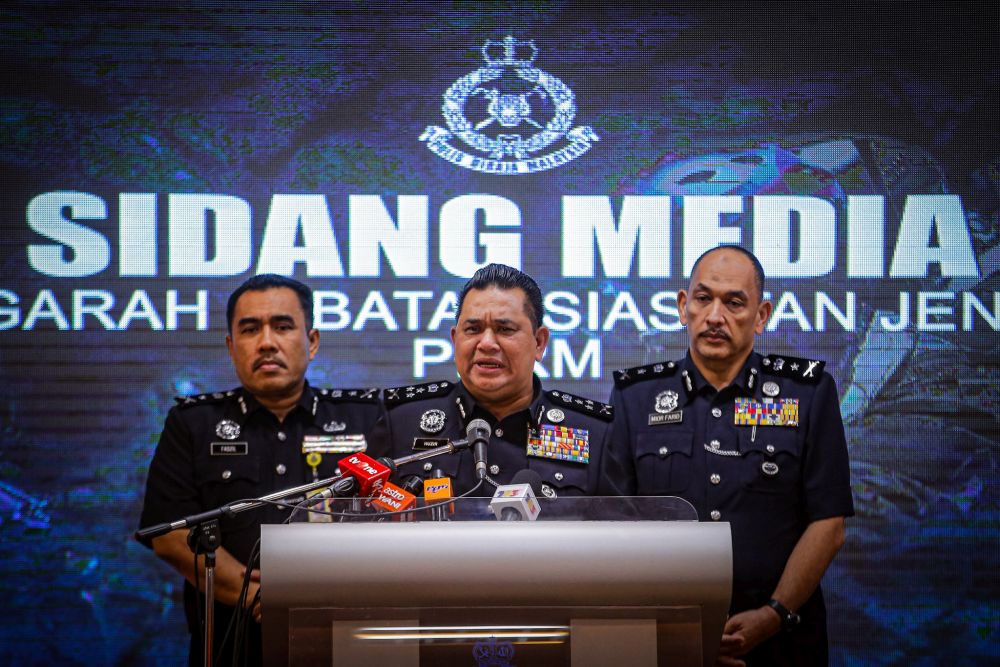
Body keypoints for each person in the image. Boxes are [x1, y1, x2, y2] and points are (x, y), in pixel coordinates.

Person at [601, 246, 854, 667]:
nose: (715, 316)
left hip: (781, 642)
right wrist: (680, 631)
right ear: (684, 307)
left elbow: (828, 524)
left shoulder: (807, 394)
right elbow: (616, 527)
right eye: (703, 299)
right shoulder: (635, 398)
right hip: (668, 644)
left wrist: (773, 615)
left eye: (734, 302)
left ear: (761, 315)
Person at [136, 274, 383, 667]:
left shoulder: (366, 418)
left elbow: (395, 520)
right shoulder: (193, 423)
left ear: (312, 341)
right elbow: (169, 536)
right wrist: (258, 598)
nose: (267, 342)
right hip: (232, 641)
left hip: (344, 632)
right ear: (232, 347)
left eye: (283, 327)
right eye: (250, 330)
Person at [369, 263, 613, 497]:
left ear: (539, 343)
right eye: (473, 329)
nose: (486, 343)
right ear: (455, 340)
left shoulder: (594, 432)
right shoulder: (401, 422)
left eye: (504, 329)